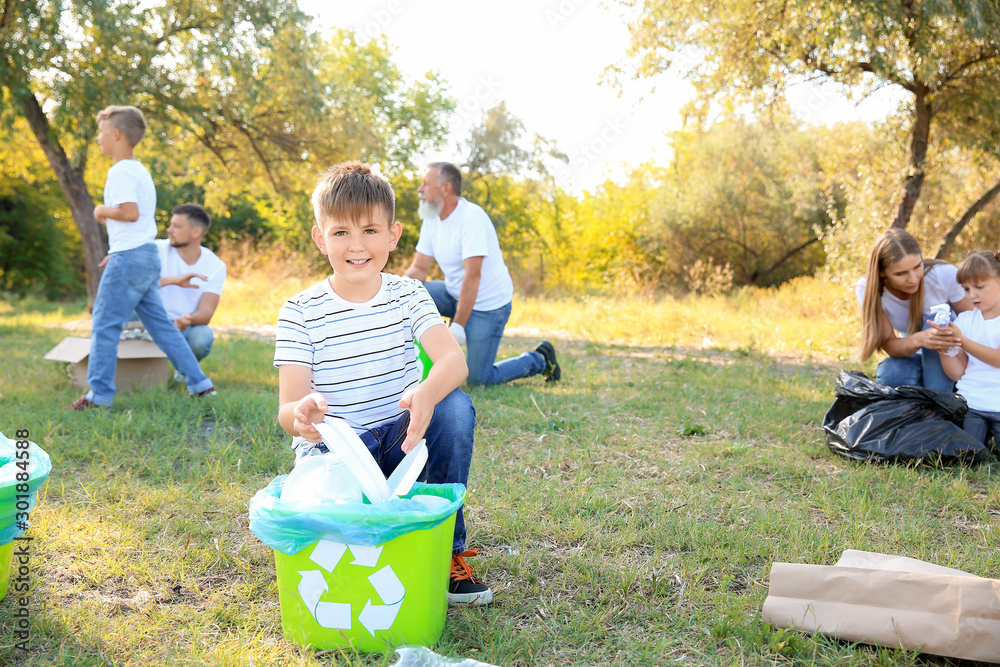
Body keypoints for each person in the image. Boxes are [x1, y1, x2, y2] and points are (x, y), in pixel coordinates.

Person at [274, 161, 493, 606]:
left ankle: (445, 552)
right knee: (356, 550)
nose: (357, 246)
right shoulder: (299, 310)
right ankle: (364, 531)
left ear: (393, 235)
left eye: (370, 231)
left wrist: (427, 394)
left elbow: (453, 360)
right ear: (321, 238)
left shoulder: (409, 294)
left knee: (453, 408)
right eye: (340, 233)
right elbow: (288, 407)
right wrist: (303, 417)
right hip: (338, 450)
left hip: (402, 441)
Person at [66, 105, 216, 410]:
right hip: (144, 255)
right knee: (162, 327)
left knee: (104, 325)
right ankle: (202, 386)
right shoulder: (140, 170)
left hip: (131, 257)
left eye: (101, 131)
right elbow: (133, 221)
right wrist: (115, 250)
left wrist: (99, 211)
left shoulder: (119, 170)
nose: (98, 138)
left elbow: (129, 213)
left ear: (116, 134)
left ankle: (99, 397)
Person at [403, 162, 561, 386]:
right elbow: (419, 269)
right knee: (416, 293)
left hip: (488, 306)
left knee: (478, 379)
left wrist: (457, 326)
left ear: (445, 188)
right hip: (454, 293)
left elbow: (473, 276)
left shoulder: (471, 219)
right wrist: (392, 294)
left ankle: (540, 360)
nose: (420, 189)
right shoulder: (431, 219)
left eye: (426, 184)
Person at [857, 229, 968, 391]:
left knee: (936, 322)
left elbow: (977, 322)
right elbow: (890, 344)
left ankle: (939, 399)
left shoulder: (944, 275)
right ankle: (920, 406)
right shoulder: (868, 289)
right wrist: (921, 339)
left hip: (954, 357)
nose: (913, 278)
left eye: (917, 267)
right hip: (913, 356)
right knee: (891, 372)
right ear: (882, 272)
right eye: (900, 274)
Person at [935, 251, 1000, 449]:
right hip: (972, 403)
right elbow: (958, 372)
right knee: (965, 454)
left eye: (979, 287)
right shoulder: (965, 321)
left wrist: (962, 341)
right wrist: (944, 348)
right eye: (966, 288)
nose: (972, 295)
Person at [156, 203, 227, 361]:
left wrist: (187, 320)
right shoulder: (156, 250)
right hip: (151, 320)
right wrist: (173, 281)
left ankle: (184, 371)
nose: (169, 230)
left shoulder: (215, 266)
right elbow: (134, 285)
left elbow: (206, 313)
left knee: (202, 337)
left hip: (184, 325)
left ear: (196, 232)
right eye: (170, 225)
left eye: (176, 226)